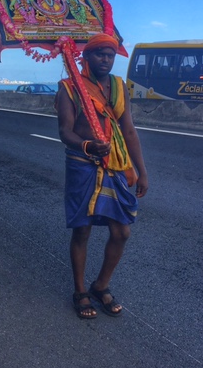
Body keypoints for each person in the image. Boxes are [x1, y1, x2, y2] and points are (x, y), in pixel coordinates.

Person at [56, 33, 149, 320]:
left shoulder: (119, 88)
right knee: (82, 230)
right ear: (86, 57)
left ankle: (101, 285)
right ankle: (80, 291)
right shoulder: (69, 87)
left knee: (121, 231)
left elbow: (129, 130)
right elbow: (65, 132)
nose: (105, 60)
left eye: (110, 55)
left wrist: (142, 171)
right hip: (83, 164)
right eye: (99, 55)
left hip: (116, 163)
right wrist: (86, 145)